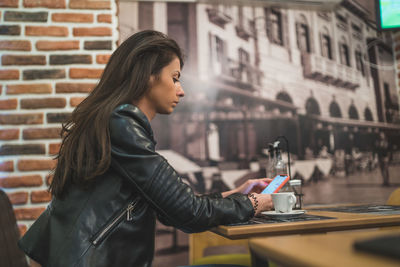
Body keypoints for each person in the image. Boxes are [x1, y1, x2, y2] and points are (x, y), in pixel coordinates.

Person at [18, 30, 274, 267]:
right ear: (148, 74)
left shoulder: (115, 121)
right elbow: (188, 213)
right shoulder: (121, 125)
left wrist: (236, 194)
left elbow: (172, 208)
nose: (181, 91)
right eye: (174, 78)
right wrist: (253, 203)